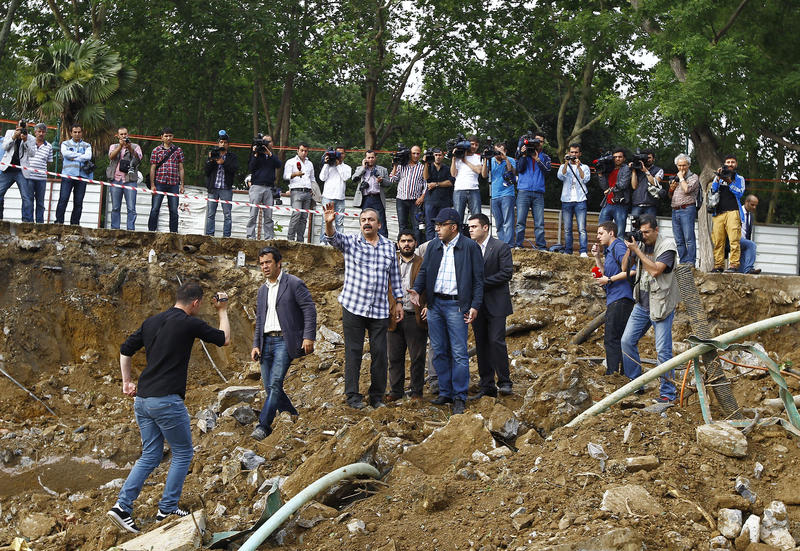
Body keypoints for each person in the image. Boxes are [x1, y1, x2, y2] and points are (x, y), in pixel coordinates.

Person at [107, 281, 230, 534]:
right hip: (166, 401)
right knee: (183, 452)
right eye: (201, 304)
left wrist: (126, 382)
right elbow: (224, 339)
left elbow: (124, 350)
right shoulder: (189, 322)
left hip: (142, 400)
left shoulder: (151, 321)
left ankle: (122, 507)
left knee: (150, 455)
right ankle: (167, 507)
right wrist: (223, 310)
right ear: (195, 303)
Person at [322, 204, 403, 409]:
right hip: (353, 307)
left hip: (379, 310)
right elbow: (333, 238)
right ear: (360, 224)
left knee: (379, 353)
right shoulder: (351, 242)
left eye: (371, 219)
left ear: (379, 224)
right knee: (354, 351)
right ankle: (353, 396)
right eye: (363, 220)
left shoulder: (388, 247)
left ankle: (377, 397)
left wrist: (399, 302)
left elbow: (394, 276)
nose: (367, 222)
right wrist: (328, 224)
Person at [407, 207, 483, 415]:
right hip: (435, 305)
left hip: (457, 306)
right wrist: (417, 290)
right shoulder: (433, 246)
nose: (437, 229)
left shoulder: (469, 247)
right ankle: (445, 392)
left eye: (441, 225)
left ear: (453, 227)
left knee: (459, 353)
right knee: (439, 351)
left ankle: (459, 396)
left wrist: (475, 305)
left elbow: (478, 280)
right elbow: (424, 271)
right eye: (436, 225)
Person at [250, 247, 316, 440]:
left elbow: (309, 310)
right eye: (262, 263)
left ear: (278, 263)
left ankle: (264, 425)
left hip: (284, 341)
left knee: (276, 383)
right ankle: (292, 414)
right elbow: (260, 319)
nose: (264, 267)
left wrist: (308, 336)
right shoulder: (263, 290)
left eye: (268, 262)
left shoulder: (294, 283)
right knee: (270, 386)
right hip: (265, 341)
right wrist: (256, 344)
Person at [620, 214, 679, 402]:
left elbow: (655, 270)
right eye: (641, 232)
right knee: (626, 341)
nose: (643, 235)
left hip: (661, 305)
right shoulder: (640, 245)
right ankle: (635, 383)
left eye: (646, 232)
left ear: (656, 230)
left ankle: (668, 393)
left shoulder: (667, 247)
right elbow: (624, 269)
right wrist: (630, 248)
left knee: (663, 351)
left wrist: (637, 250)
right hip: (642, 303)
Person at [466, 213, 513, 398]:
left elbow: (506, 273)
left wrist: (480, 283)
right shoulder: (469, 249)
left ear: (485, 228)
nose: (470, 230)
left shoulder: (500, 247)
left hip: (497, 303)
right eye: (469, 227)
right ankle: (487, 385)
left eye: (474, 227)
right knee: (481, 344)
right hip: (476, 305)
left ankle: (505, 381)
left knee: (496, 341)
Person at [386, 231, 427, 401]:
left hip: (414, 314)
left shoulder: (423, 263)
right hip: (393, 315)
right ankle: (396, 391)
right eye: (403, 241)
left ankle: (416, 391)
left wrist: (427, 305)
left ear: (415, 243)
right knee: (394, 356)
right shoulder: (390, 263)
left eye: (410, 241)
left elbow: (430, 286)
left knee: (417, 356)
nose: (406, 244)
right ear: (398, 244)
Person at [591, 221, 634, 376]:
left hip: (621, 298)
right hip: (615, 299)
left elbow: (631, 270)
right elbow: (606, 273)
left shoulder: (619, 247)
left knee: (611, 338)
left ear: (611, 233)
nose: (598, 237)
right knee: (618, 338)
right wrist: (597, 258)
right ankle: (621, 373)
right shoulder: (609, 250)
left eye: (601, 233)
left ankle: (613, 374)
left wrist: (609, 281)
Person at [710, 155, 745, 272]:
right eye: (728, 162)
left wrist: (729, 182)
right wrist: (718, 178)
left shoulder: (739, 178)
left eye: (733, 162)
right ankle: (718, 265)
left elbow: (740, 193)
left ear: (736, 164)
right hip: (718, 212)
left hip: (733, 212)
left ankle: (734, 265)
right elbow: (713, 190)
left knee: (734, 239)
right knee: (718, 241)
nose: (730, 164)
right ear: (724, 164)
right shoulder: (719, 176)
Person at [515, 134, 550, 249]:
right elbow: (519, 169)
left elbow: (547, 172)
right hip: (523, 191)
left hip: (538, 192)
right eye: (537, 141)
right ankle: (518, 245)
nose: (539, 143)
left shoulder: (545, 157)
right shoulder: (523, 154)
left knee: (539, 223)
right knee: (520, 221)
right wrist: (524, 155)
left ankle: (541, 246)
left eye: (541, 141)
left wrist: (538, 160)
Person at [203, 130, 239, 237]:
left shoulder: (232, 157)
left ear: (228, 144)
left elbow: (234, 169)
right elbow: (206, 171)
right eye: (221, 142)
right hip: (213, 188)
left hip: (226, 188)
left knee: (227, 214)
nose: (223, 144)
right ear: (218, 143)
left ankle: (226, 236)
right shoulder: (214, 154)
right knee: (210, 214)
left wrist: (224, 163)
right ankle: (209, 235)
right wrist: (210, 160)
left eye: (225, 142)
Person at [148, 128, 185, 233]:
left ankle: (173, 232)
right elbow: (152, 168)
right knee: (155, 209)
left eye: (170, 136)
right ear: (162, 137)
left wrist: (182, 185)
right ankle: (151, 231)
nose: (168, 138)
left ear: (173, 137)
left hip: (174, 184)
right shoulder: (156, 150)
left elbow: (181, 168)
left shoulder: (178, 150)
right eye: (166, 136)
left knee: (174, 210)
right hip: (159, 182)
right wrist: (152, 185)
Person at [246, 134, 282, 240]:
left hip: (269, 187)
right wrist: (255, 154)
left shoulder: (272, 156)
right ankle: (250, 236)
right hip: (256, 186)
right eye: (265, 142)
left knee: (268, 215)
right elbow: (251, 167)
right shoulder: (256, 154)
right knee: (253, 214)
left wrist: (269, 154)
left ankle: (268, 237)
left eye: (269, 142)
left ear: (272, 144)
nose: (267, 144)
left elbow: (279, 165)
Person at [56, 123, 93, 225]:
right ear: (71, 133)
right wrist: (81, 156)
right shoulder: (65, 144)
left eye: (79, 132)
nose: (77, 134)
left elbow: (88, 157)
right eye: (75, 132)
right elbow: (65, 154)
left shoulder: (87, 145)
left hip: (82, 176)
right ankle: (59, 221)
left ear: (82, 133)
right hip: (68, 175)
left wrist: (73, 157)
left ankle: (75, 223)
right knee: (63, 199)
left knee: (78, 202)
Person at [558, 143, 591, 256]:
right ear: (568, 153)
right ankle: (568, 250)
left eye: (576, 152)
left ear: (580, 154)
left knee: (582, 228)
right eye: (572, 152)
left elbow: (585, 179)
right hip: (566, 200)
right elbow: (560, 176)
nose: (574, 154)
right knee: (567, 228)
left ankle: (583, 251)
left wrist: (578, 167)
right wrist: (566, 162)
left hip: (580, 200)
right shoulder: (563, 166)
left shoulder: (584, 167)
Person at [108, 127, 143, 230]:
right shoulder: (113, 146)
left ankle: (131, 229)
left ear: (128, 134)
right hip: (115, 179)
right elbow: (111, 156)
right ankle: (115, 228)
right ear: (118, 136)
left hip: (130, 180)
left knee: (131, 207)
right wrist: (120, 146)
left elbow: (138, 158)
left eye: (125, 134)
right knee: (115, 207)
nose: (124, 136)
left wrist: (129, 148)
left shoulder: (135, 146)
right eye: (121, 134)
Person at [668, 153, 700, 265]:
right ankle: (682, 261)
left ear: (689, 165)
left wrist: (681, 178)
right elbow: (670, 196)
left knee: (689, 237)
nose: (681, 168)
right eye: (679, 165)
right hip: (675, 209)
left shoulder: (694, 177)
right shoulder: (676, 178)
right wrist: (671, 189)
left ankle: (691, 262)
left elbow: (686, 189)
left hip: (687, 209)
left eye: (684, 165)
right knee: (679, 239)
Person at [390, 145, 425, 243]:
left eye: (418, 153)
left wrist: (422, 197)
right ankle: (402, 247)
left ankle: (417, 248)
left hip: (415, 200)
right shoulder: (401, 166)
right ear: (410, 153)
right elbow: (392, 179)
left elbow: (426, 183)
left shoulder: (422, 167)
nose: (415, 155)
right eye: (413, 153)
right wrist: (395, 165)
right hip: (401, 199)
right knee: (402, 225)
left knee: (417, 226)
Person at [0, 121, 35, 222]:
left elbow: (32, 154)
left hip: (21, 170)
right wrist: (13, 137)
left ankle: (27, 222)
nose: (22, 131)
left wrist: (25, 141)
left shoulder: (30, 138)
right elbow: (5, 147)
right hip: (7, 169)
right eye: (20, 129)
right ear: (16, 127)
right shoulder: (9, 133)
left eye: (24, 129)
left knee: (26, 197)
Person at [451, 136, 487, 232]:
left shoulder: (478, 157)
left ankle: (476, 241)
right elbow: (453, 174)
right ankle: (458, 241)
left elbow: (479, 170)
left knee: (477, 217)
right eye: (472, 144)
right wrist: (454, 158)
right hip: (459, 189)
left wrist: (465, 161)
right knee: (458, 217)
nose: (474, 146)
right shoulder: (458, 156)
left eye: (476, 145)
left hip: (473, 189)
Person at [353, 150, 390, 237]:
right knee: (365, 221)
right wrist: (363, 167)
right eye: (368, 157)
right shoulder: (360, 169)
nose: (370, 159)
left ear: (375, 158)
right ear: (365, 159)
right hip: (366, 198)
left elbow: (388, 184)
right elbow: (353, 179)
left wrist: (382, 180)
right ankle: (365, 242)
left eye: (372, 157)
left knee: (381, 222)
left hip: (378, 198)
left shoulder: (382, 169)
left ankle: (383, 242)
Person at [283, 143, 315, 242]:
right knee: (296, 215)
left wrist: (313, 189)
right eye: (302, 150)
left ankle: (300, 240)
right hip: (296, 190)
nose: (304, 153)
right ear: (297, 150)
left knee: (304, 217)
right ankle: (290, 239)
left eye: (306, 151)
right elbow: (285, 176)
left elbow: (312, 178)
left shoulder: (310, 163)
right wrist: (295, 174)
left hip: (307, 191)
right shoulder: (291, 162)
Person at [319, 146, 352, 240]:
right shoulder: (329, 165)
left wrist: (338, 165)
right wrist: (326, 163)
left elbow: (345, 177)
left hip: (340, 198)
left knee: (339, 222)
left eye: (342, 153)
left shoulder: (347, 167)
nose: (340, 155)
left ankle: (339, 243)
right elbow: (322, 178)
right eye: (338, 153)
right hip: (327, 196)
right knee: (325, 221)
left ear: (344, 155)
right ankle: (323, 242)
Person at [21, 123, 52, 224]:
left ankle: (40, 223)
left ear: (45, 133)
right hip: (28, 176)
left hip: (41, 178)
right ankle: (28, 222)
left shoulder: (49, 146)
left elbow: (49, 161)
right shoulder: (29, 142)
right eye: (39, 131)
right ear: (35, 132)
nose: (41, 133)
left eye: (43, 132)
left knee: (40, 202)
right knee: (28, 200)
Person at [597, 148, 631, 237]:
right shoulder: (609, 168)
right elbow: (604, 187)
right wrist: (600, 175)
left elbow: (623, 184)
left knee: (619, 233)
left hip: (620, 204)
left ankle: (618, 251)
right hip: (607, 202)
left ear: (624, 158)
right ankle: (606, 251)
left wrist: (610, 189)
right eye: (615, 157)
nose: (617, 159)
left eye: (620, 157)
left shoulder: (626, 168)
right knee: (602, 231)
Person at [422, 147, 454, 242]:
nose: (438, 157)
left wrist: (436, 184)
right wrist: (426, 163)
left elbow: (450, 182)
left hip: (444, 201)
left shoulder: (447, 168)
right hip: (430, 200)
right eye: (436, 155)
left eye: (440, 155)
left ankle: (441, 245)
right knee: (430, 225)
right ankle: (430, 246)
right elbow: (425, 177)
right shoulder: (429, 167)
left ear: (443, 156)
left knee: (443, 225)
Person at [488, 142, 516, 245]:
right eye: (496, 151)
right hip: (494, 194)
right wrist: (486, 158)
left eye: (500, 151)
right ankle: (501, 243)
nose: (498, 154)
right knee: (499, 222)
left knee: (508, 221)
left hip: (507, 193)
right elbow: (483, 174)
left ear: (505, 151)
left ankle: (509, 245)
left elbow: (512, 171)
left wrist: (506, 159)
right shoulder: (490, 161)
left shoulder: (511, 160)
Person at [629, 151, 665, 220]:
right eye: (645, 158)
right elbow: (634, 186)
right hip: (637, 204)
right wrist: (633, 170)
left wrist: (645, 171)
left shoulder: (658, 170)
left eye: (649, 158)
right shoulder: (637, 169)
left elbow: (655, 183)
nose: (647, 160)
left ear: (653, 159)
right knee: (634, 228)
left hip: (651, 205)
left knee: (650, 228)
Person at [739, 194, 761, 275]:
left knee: (741, 269)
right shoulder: (738, 211)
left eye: (755, 205)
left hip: (744, 242)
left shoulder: (750, 215)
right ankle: (749, 269)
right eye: (752, 205)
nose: (754, 207)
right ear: (746, 202)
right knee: (751, 245)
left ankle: (743, 272)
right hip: (735, 239)